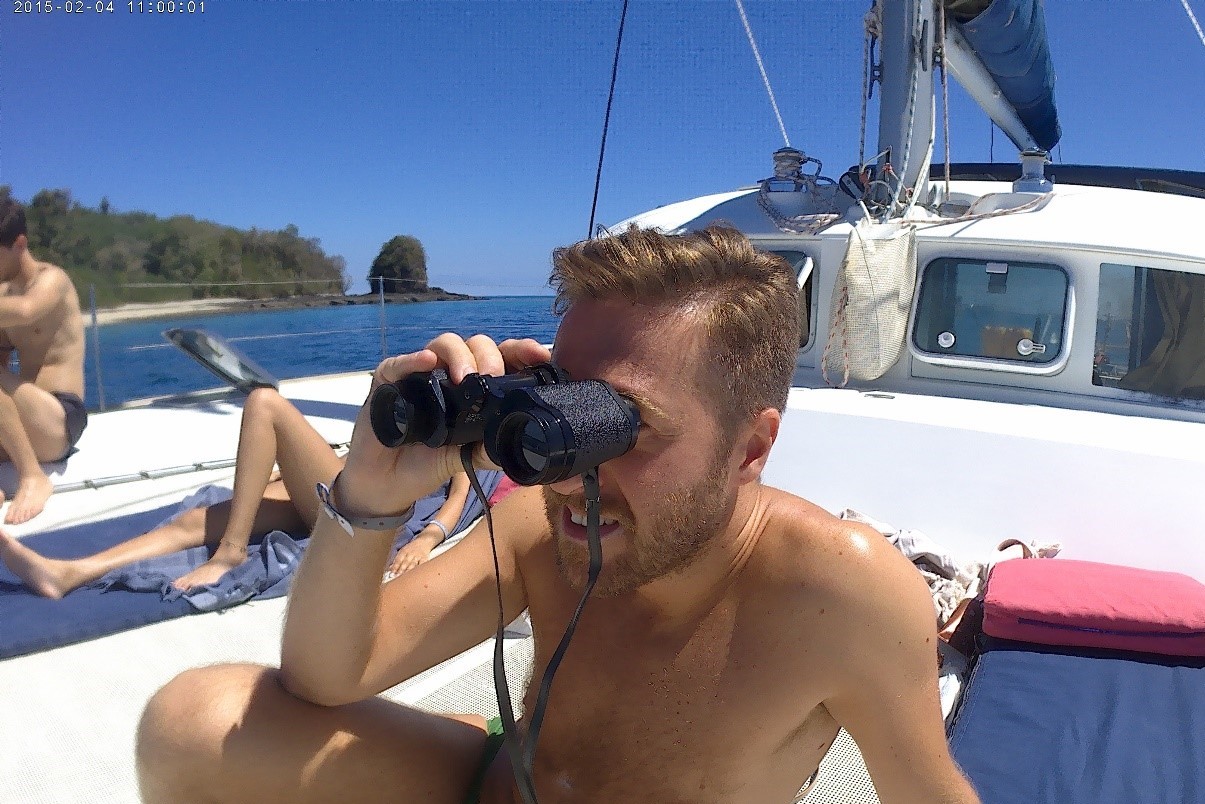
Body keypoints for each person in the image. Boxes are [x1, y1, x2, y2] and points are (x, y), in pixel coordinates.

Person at [135, 225, 980, 803]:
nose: (575, 475)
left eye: (626, 425)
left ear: (749, 448)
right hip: (502, 782)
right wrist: (371, 497)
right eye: (564, 415)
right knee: (194, 721)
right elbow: (328, 676)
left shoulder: (839, 593)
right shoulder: (543, 524)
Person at [0, 385, 471, 598]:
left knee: (265, 402)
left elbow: (460, 495)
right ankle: (69, 573)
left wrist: (429, 539)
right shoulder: (408, 409)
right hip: (333, 488)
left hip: (374, 510)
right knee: (193, 521)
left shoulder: (456, 430)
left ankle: (229, 554)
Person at [0, 198, 88, 525]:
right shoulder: (2, 295)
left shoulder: (52, 280)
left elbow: (27, 310)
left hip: (60, 419)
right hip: (26, 423)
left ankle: (33, 478)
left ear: (19, 243)